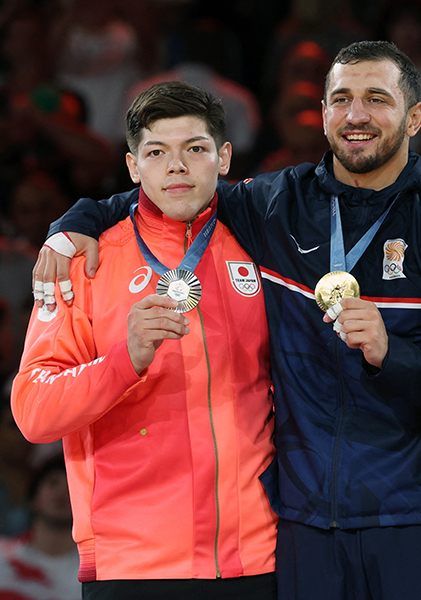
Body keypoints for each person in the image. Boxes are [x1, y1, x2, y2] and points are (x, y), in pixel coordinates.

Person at [32, 41, 421, 600]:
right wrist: (74, 222)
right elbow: (172, 191)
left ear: (415, 117)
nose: (356, 115)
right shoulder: (276, 205)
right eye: (341, 99)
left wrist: (392, 354)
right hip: (307, 532)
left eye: (377, 99)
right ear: (324, 112)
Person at [12, 81, 278, 599]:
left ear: (223, 157)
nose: (176, 166)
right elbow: (32, 409)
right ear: (134, 167)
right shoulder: (84, 261)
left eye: (195, 149)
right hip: (133, 565)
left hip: (255, 561)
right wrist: (123, 361)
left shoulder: (263, 245)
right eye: (156, 152)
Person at [0, 456, 80, 600]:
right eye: (53, 482)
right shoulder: (3, 555)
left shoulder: (94, 573)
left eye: (72, 485)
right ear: (33, 498)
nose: (63, 492)